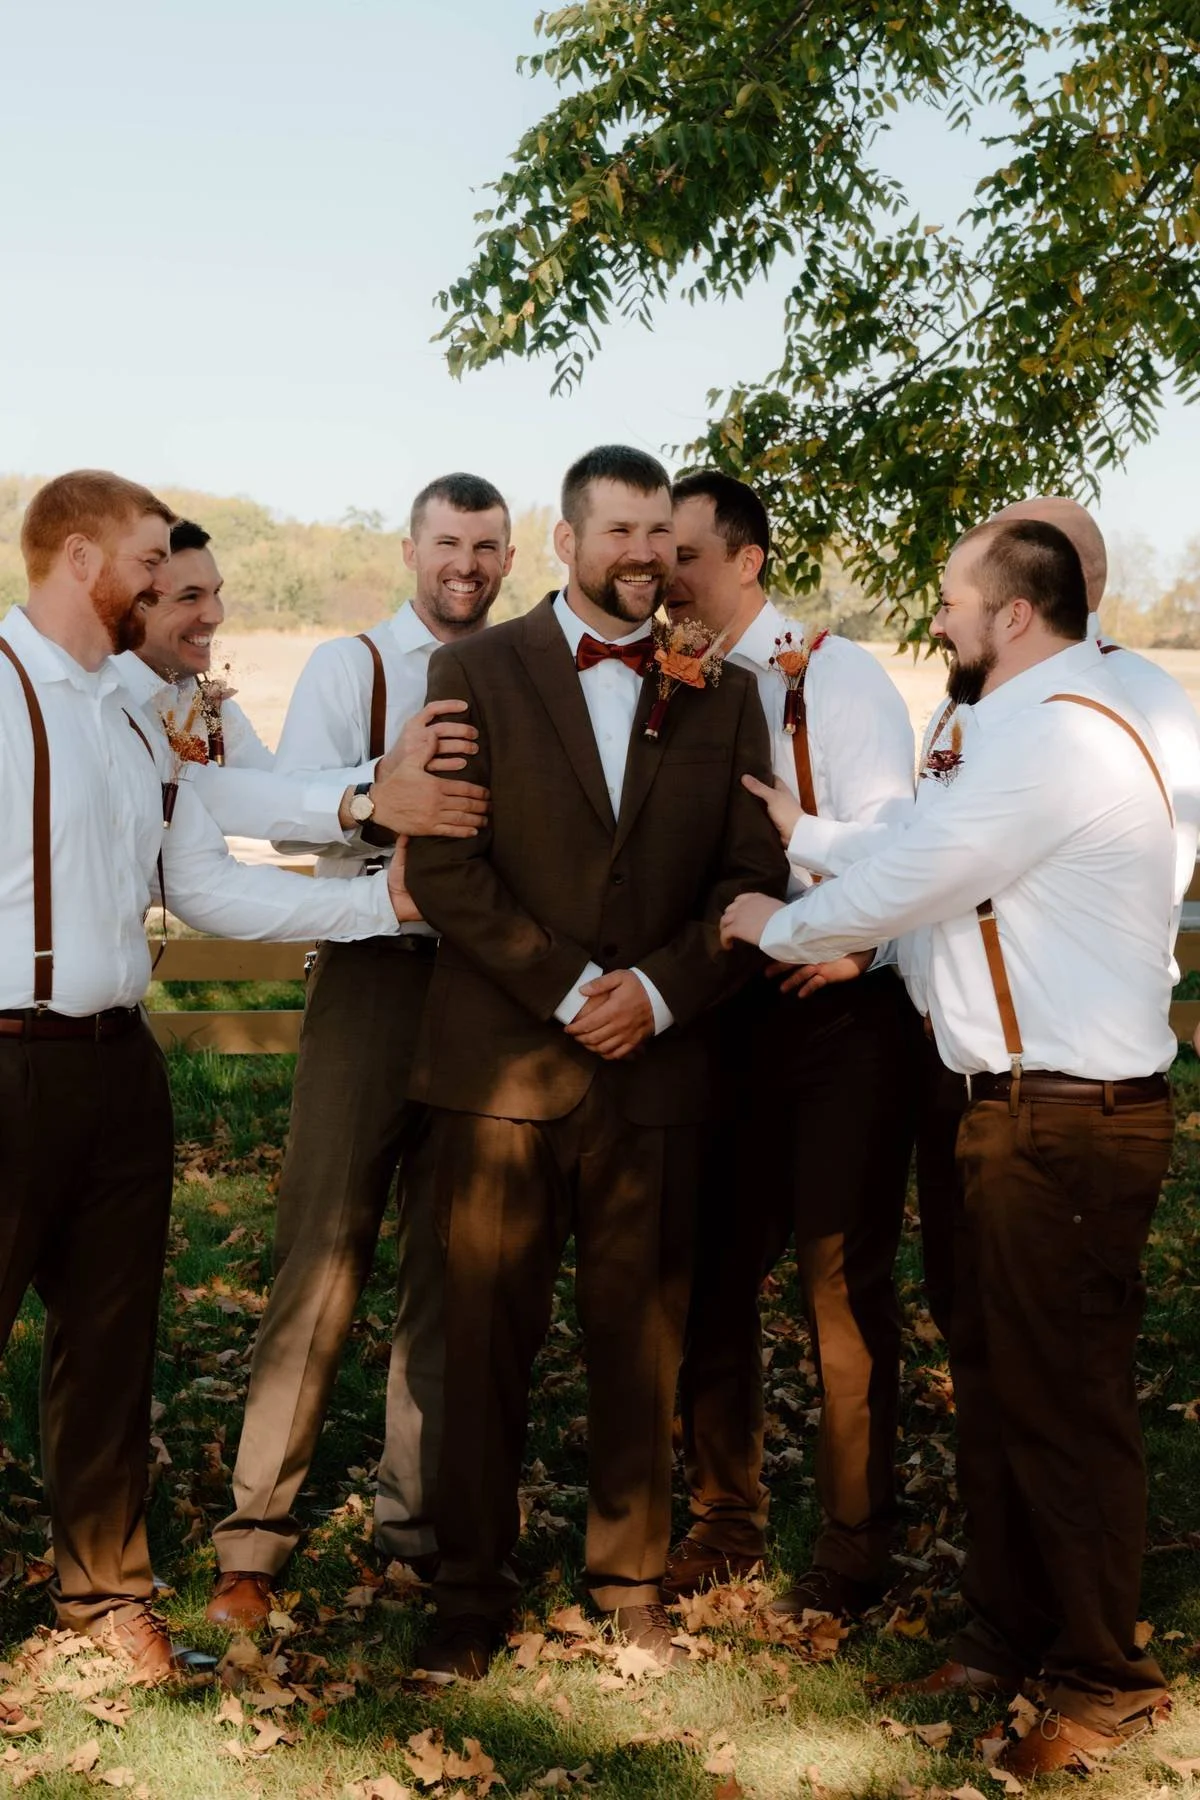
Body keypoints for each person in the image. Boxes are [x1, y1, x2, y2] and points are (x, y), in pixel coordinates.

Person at [723, 518, 1177, 1776]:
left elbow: (918, 878)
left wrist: (781, 921)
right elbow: (933, 849)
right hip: (1009, 1110)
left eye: (949, 602)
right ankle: (1007, 1628)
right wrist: (806, 832)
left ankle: (1103, 1677)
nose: (937, 622)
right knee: (1000, 1381)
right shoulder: (1026, 730)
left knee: (1066, 1400)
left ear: (1014, 616)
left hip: (1068, 1118)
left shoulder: (1058, 737)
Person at [0, 470, 414, 1694]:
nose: (171, 581)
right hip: (6, 1060)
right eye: (148, 558)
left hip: (120, 1065)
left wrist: (373, 907)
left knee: (112, 1345)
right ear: (83, 563)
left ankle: (104, 1598)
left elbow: (203, 881)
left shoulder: (134, 715)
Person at [403, 445, 788, 1679]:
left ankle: (628, 1582)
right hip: (504, 1073)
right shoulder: (472, 668)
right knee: (482, 1343)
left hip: (657, 1073)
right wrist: (574, 990)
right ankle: (470, 1593)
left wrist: (662, 994)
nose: (646, 557)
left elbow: (751, 878)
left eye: (663, 538)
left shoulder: (717, 687)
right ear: (564, 543)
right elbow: (447, 871)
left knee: (642, 1338)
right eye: (621, 533)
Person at [207, 473, 512, 1629]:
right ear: (410, 549)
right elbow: (281, 804)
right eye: (447, 543)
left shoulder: (518, 667)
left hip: (485, 991)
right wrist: (383, 803)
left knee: (450, 1260)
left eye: (486, 547)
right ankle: (255, 1536)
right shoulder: (357, 667)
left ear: (512, 556)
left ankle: (416, 1521)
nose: (465, 566)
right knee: (322, 1249)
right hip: (374, 969)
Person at [661, 470, 920, 1621]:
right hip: (721, 1017)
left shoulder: (837, 677)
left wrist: (851, 944)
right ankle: (726, 1516)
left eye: (687, 555)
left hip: (834, 1016)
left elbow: (904, 846)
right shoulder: (673, 682)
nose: (667, 576)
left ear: (748, 561)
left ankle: (857, 1542)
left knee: (837, 1284)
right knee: (709, 1268)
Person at [114, 516, 488, 849]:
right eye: (190, 596)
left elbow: (278, 796)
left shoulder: (202, 705)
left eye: (217, 593)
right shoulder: (102, 707)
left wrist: (382, 774)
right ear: (135, 601)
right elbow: (225, 802)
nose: (216, 614)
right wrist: (375, 793)